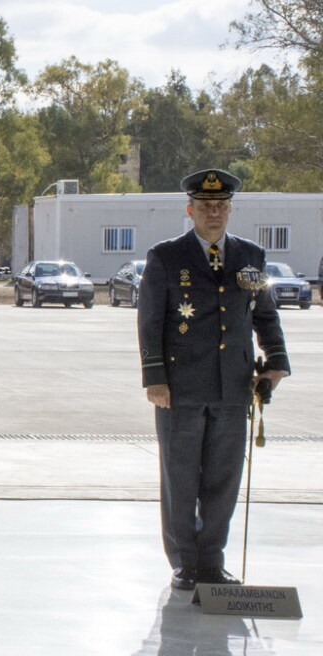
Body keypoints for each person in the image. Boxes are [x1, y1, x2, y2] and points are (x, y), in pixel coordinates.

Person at [137, 168, 290, 590]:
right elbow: (150, 321)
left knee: (223, 478)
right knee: (181, 477)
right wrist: (154, 376)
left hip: (233, 385)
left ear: (230, 210)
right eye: (206, 207)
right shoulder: (166, 257)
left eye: (221, 206)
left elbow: (264, 313)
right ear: (191, 210)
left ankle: (212, 561)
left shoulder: (251, 257)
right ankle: (186, 563)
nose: (214, 214)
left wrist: (275, 361)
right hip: (180, 387)